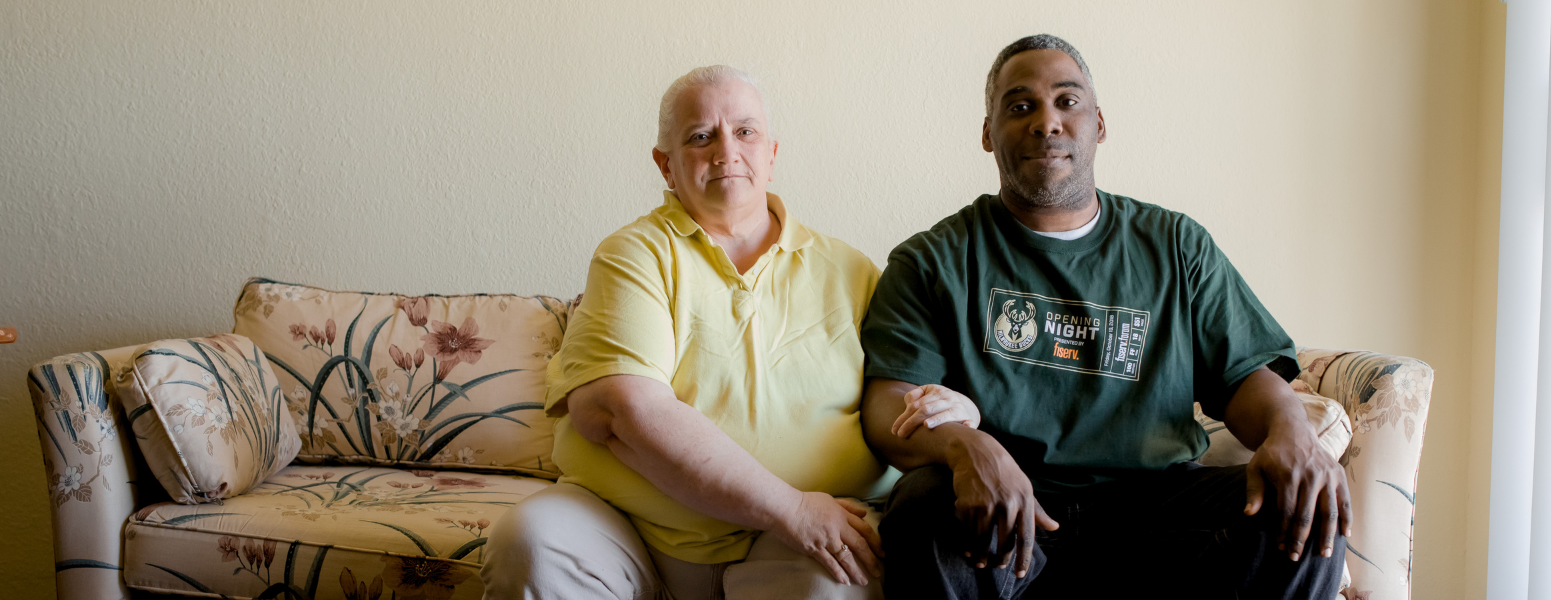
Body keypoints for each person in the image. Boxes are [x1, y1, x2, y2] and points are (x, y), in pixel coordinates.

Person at [858, 35, 1349, 599]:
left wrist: (1292, 430)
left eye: (1067, 102)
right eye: (1020, 106)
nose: (1046, 122)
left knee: (1302, 501)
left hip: (1160, 513)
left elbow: (1243, 377)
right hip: (1010, 519)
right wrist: (968, 448)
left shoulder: (1176, 245)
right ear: (988, 133)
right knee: (922, 504)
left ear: (1098, 124)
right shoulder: (932, 260)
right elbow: (887, 402)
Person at [479, 65, 975, 600]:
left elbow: (903, 389)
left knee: (837, 581)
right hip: (633, 533)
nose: (726, 152)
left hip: (804, 539)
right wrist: (791, 509)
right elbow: (624, 409)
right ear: (665, 166)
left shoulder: (851, 270)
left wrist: (957, 409)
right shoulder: (633, 254)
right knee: (530, 540)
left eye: (745, 132)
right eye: (700, 137)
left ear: (772, 154)